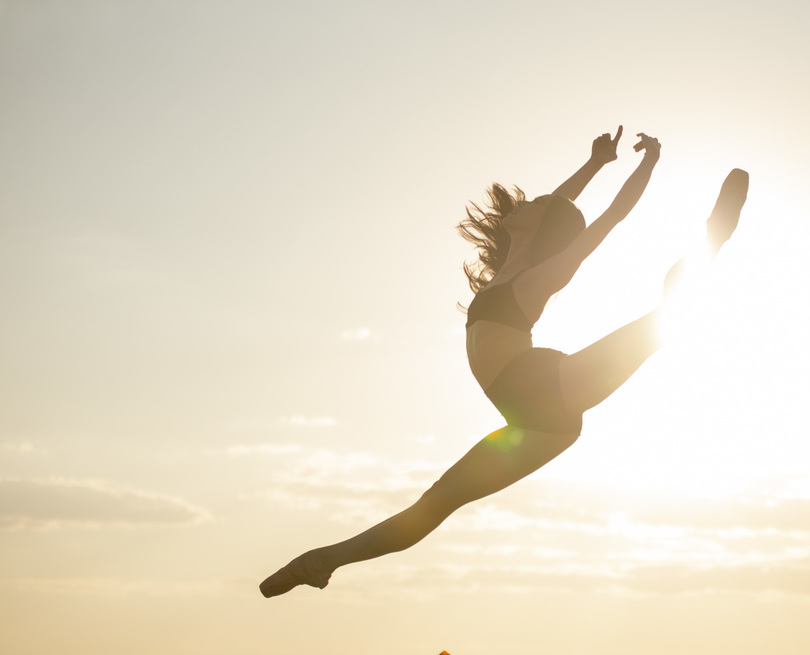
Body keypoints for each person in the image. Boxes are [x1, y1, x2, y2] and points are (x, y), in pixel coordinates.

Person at [260, 127, 748, 597]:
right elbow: (554, 208)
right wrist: (594, 163)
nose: (526, 201)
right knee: (436, 502)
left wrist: (649, 164)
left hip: (547, 386)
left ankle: (712, 239)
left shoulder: (538, 280)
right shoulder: (507, 272)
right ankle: (323, 562)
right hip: (530, 420)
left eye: (534, 206)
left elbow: (608, 219)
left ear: (539, 227)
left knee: (661, 323)